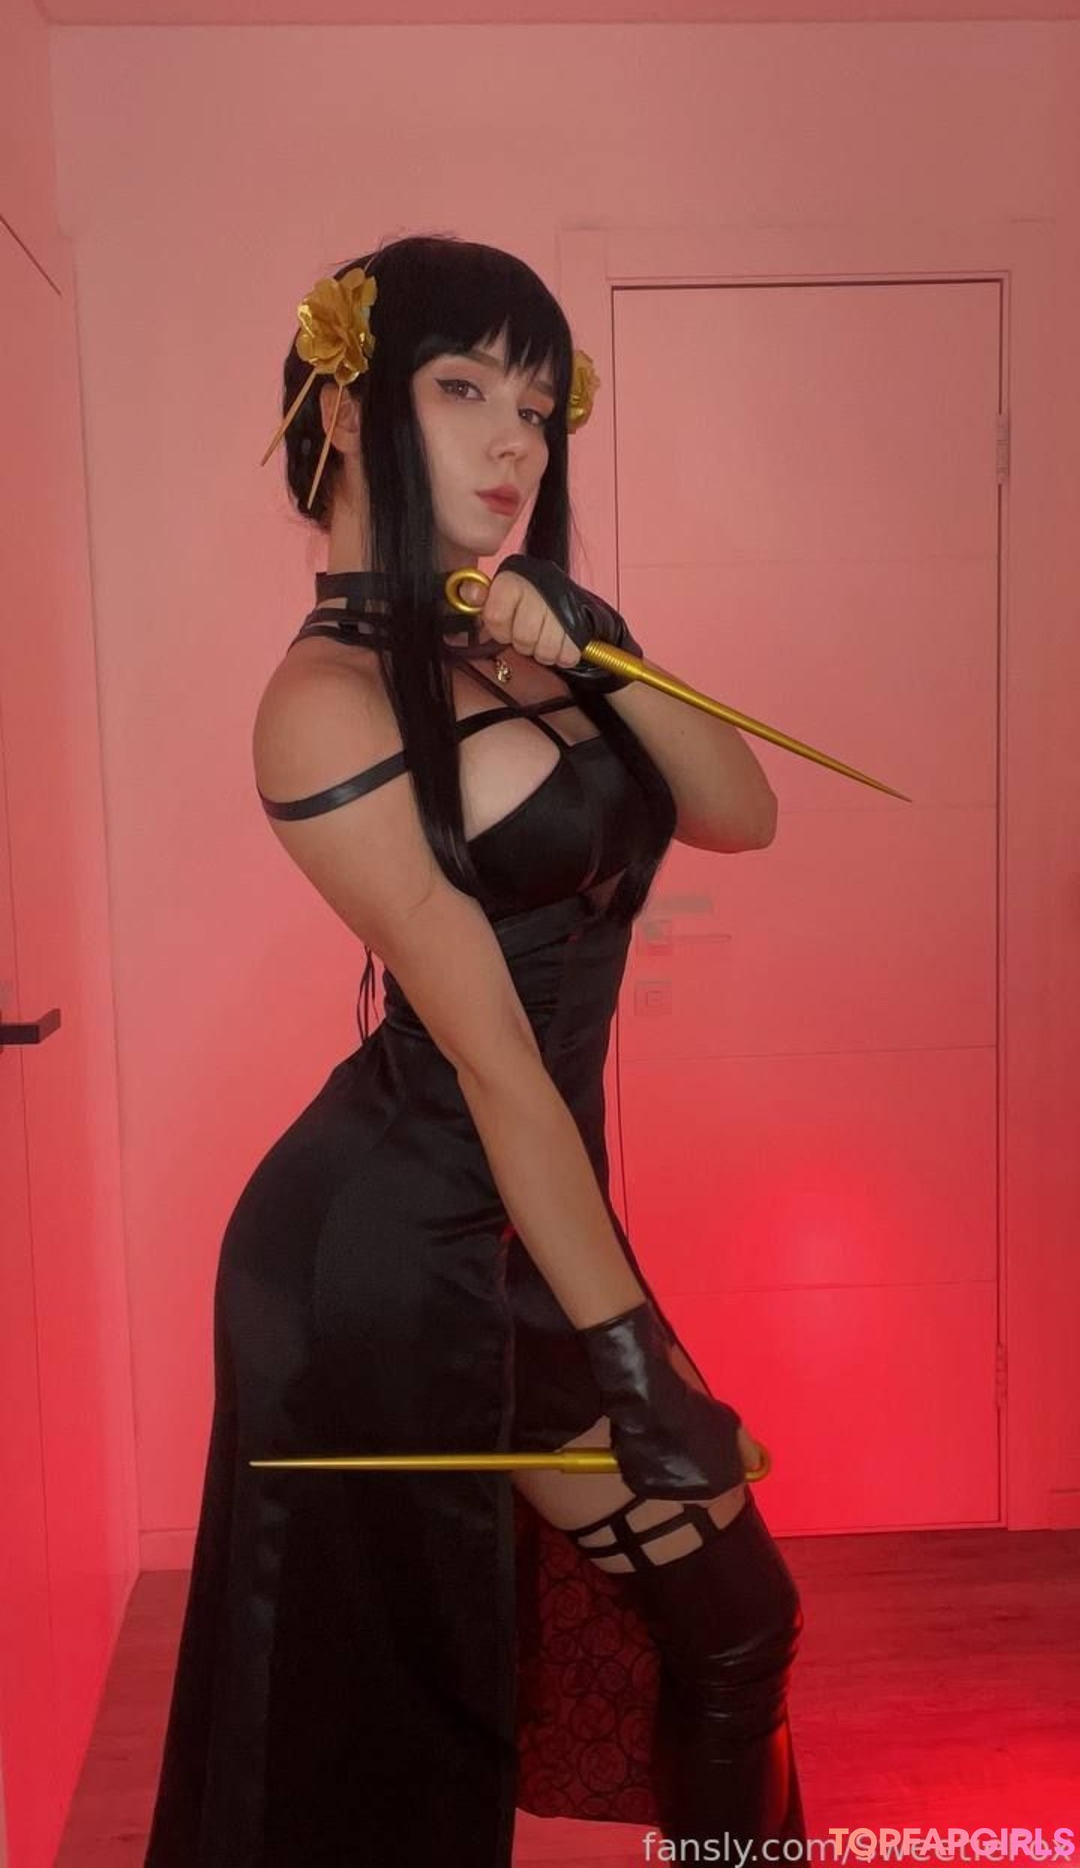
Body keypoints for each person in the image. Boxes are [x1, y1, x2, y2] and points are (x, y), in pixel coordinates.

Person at [143, 232, 807, 1866]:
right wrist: (635, 1361)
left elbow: (744, 810)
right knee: (395, 1717)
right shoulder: (323, 703)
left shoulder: (512, 642)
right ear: (349, 406)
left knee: (737, 1624)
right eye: (463, 389)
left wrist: (601, 638)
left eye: (536, 404)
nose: (516, 442)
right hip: (384, 1255)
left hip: (515, 1222)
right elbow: (499, 1059)